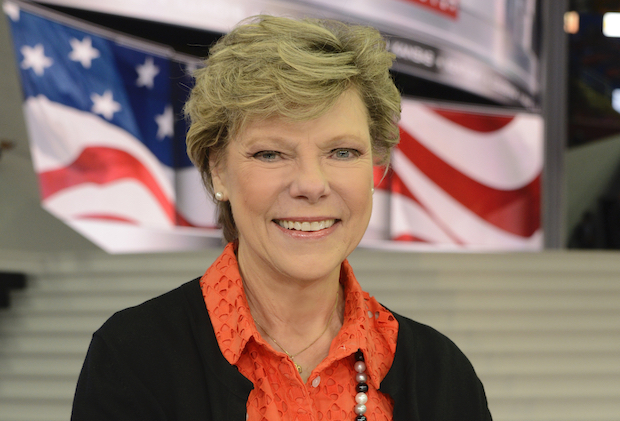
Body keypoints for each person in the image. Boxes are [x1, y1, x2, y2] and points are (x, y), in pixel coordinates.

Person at [71, 15, 492, 421]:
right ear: (218, 170)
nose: (311, 184)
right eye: (270, 153)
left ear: (375, 169)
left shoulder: (444, 373)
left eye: (342, 152)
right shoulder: (132, 358)